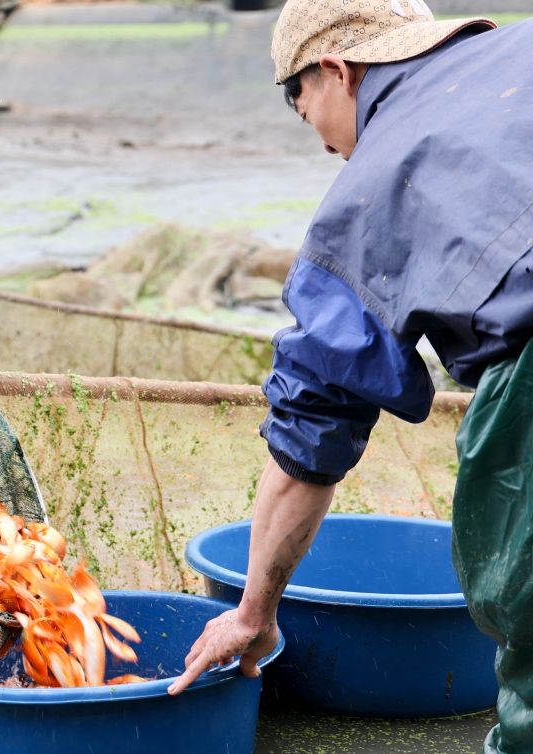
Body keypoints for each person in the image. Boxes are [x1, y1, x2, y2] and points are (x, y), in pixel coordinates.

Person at [167, 2, 533, 751]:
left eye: (309, 119)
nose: (330, 150)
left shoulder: (372, 189)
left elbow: (310, 435)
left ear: (335, 71)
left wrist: (252, 612)